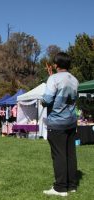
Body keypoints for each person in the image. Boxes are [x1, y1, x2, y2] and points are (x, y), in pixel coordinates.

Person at [42, 52, 79, 197]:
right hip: (71, 122)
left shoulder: (53, 79)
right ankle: (72, 185)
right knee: (70, 154)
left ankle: (60, 188)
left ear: (56, 64)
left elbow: (47, 99)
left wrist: (43, 100)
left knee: (59, 155)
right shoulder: (75, 80)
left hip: (57, 122)